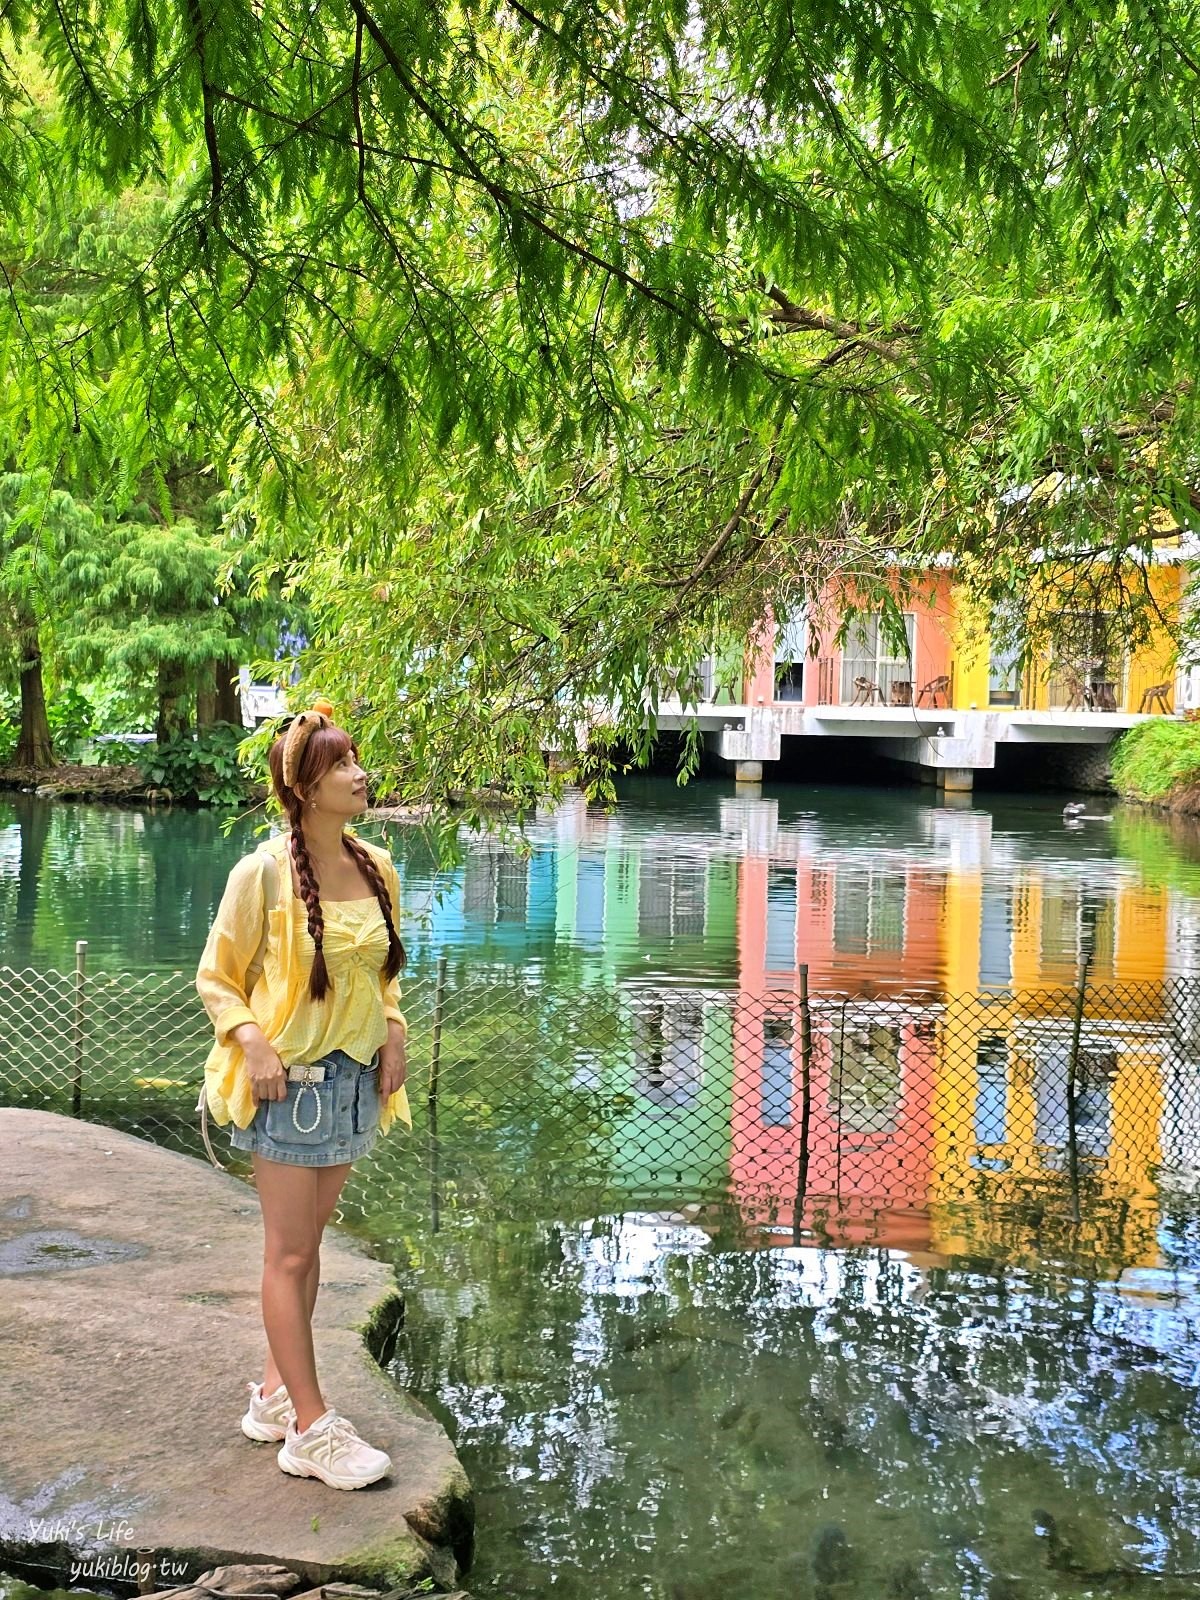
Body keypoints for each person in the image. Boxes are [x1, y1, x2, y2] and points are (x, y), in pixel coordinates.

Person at [195, 702, 412, 1491]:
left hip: (353, 1085)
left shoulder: (376, 865)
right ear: (306, 787)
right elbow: (217, 978)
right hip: (291, 1088)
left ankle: (273, 1398)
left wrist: (394, 1029)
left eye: (358, 759)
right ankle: (312, 1431)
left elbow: (382, 976)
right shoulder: (260, 873)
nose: (361, 774)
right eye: (343, 764)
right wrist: (251, 1042)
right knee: (288, 1255)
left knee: (307, 1249)